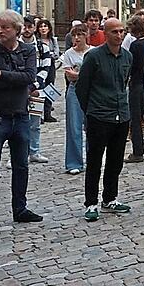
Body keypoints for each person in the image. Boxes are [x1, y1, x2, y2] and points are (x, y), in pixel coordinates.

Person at [0, 10, 44, 237]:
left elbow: (30, 77)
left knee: (21, 166)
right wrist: (13, 77)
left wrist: (1, 74)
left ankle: (20, 208)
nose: (0, 31)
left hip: (20, 115)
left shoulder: (28, 50)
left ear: (16, 30)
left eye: (5, 27)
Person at [73, 18, 133, 222]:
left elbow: (125, 82)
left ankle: (110, 197)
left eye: (121, 31)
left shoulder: (127, 56)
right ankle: (91, 202)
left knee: (115, 160)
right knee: (95, 161)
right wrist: (90, 110)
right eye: (114, 31)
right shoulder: (94, 56)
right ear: (105, 33)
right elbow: (82, 87)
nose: (119, 35)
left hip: (121, 115)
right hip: (99, 115)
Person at [20, 16, 53, 163]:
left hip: (37, 90)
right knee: (19, 123)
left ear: (34, 28)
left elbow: (46, 69)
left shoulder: (42, 47)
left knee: (35, 122)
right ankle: (20, 153)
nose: (27, 30)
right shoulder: (15, 45)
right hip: (19, 89)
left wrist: (34, 86)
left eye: (30, 27)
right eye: (24, 27)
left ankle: (34, 151)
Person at [60, 25, 90, 174]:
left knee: (92, 126)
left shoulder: (93, 52)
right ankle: (74, 163)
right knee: (74, 126)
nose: (77, 38)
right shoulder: (69, 54)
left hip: (91, 91)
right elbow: (69, 75)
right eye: (74, 35)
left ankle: (93, 159)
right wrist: (83, 75)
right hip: (74, 90)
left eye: (80, 35)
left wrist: (79, 74)